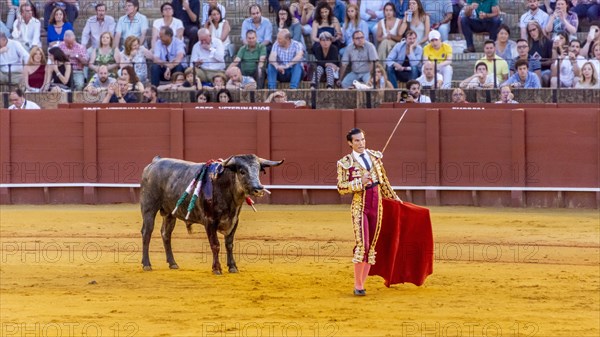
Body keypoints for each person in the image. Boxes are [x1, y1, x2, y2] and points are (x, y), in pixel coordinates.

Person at [336, 128, 401, 296]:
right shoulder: (344, 162)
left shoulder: (375, 157)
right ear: (350, 143)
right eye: (357, 141)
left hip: (376, 205)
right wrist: (360, 182)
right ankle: (358, 286)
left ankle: (362, 283)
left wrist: (396, 200)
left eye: (362, 139)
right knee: (362, 245)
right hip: (360, 207)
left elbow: (384, 183)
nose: (361, 143)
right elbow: (341, 187)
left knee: (371, 246)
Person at [526, 21, 553, 87]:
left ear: (539, 29)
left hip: (544, 69)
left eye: (534, 29)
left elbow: (552, 60)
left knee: (544, 77)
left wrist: (538, 63)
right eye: (530, 31)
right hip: (531, 70)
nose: (532, 32)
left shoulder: (548, 42)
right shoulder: (528, 44)